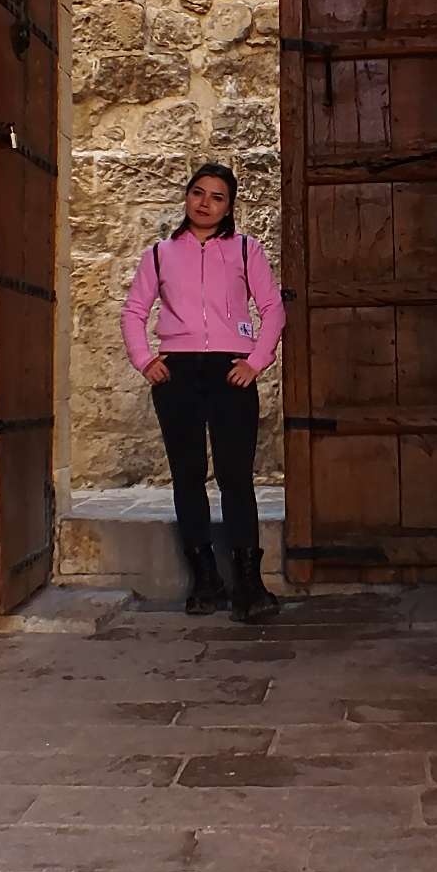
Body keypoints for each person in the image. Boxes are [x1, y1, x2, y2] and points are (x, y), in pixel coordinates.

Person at [121, 163, 286, 623]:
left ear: (229, 206)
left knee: (236, 477)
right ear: (187, 198)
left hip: (231, 371)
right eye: (198, 193)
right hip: (177, 374)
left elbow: (272, 307)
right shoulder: (160, 254)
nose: (205, 203)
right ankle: (205, 581)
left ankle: (249, 584)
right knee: (188, 476)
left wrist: (256, 361)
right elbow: (134, 310)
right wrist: (145, 359)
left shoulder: (247, 250)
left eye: (217, 196)